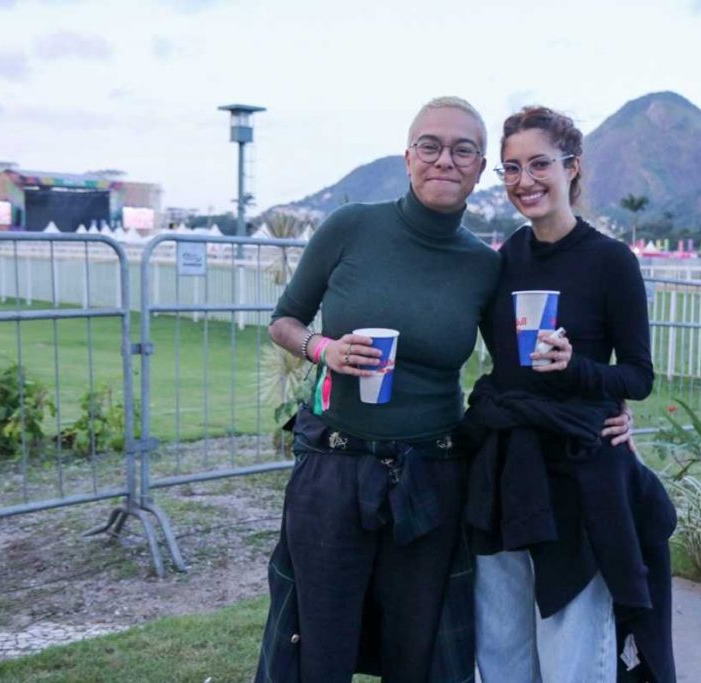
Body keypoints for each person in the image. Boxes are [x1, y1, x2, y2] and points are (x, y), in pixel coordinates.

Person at [254, 95, 637, 683]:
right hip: (335, 466)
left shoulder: (484, 264)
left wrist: (606, 408)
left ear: (480, 169)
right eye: (429, 146)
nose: (444, 160)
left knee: (419, 648)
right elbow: (286, 319)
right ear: (408, 157)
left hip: (430, 473)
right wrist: (324, 350)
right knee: (318, 647)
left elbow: (518, 364)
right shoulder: (351, 226)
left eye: (464, 150)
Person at [459, 106, 676, 682]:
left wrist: (576, 369)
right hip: (506, 468)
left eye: (538, 164)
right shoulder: (502, 261)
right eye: (510, 168)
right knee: (501, 647)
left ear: (571, 167)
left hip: (578, 474)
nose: (524, 181)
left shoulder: (611, 261)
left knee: (573, 647)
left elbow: (638, 376)